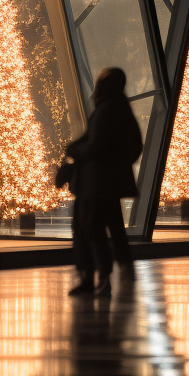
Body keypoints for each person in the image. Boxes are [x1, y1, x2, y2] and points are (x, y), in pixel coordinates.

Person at [63, 68, 143, 296]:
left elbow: (95, 144)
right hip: (105, 183)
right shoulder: (120, 108)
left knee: (90, 230)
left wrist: (74, 150)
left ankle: (96, 278)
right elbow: (134, 145)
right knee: (104, 229)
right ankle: (105, 276)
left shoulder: (107, 109)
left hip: (96, 185)